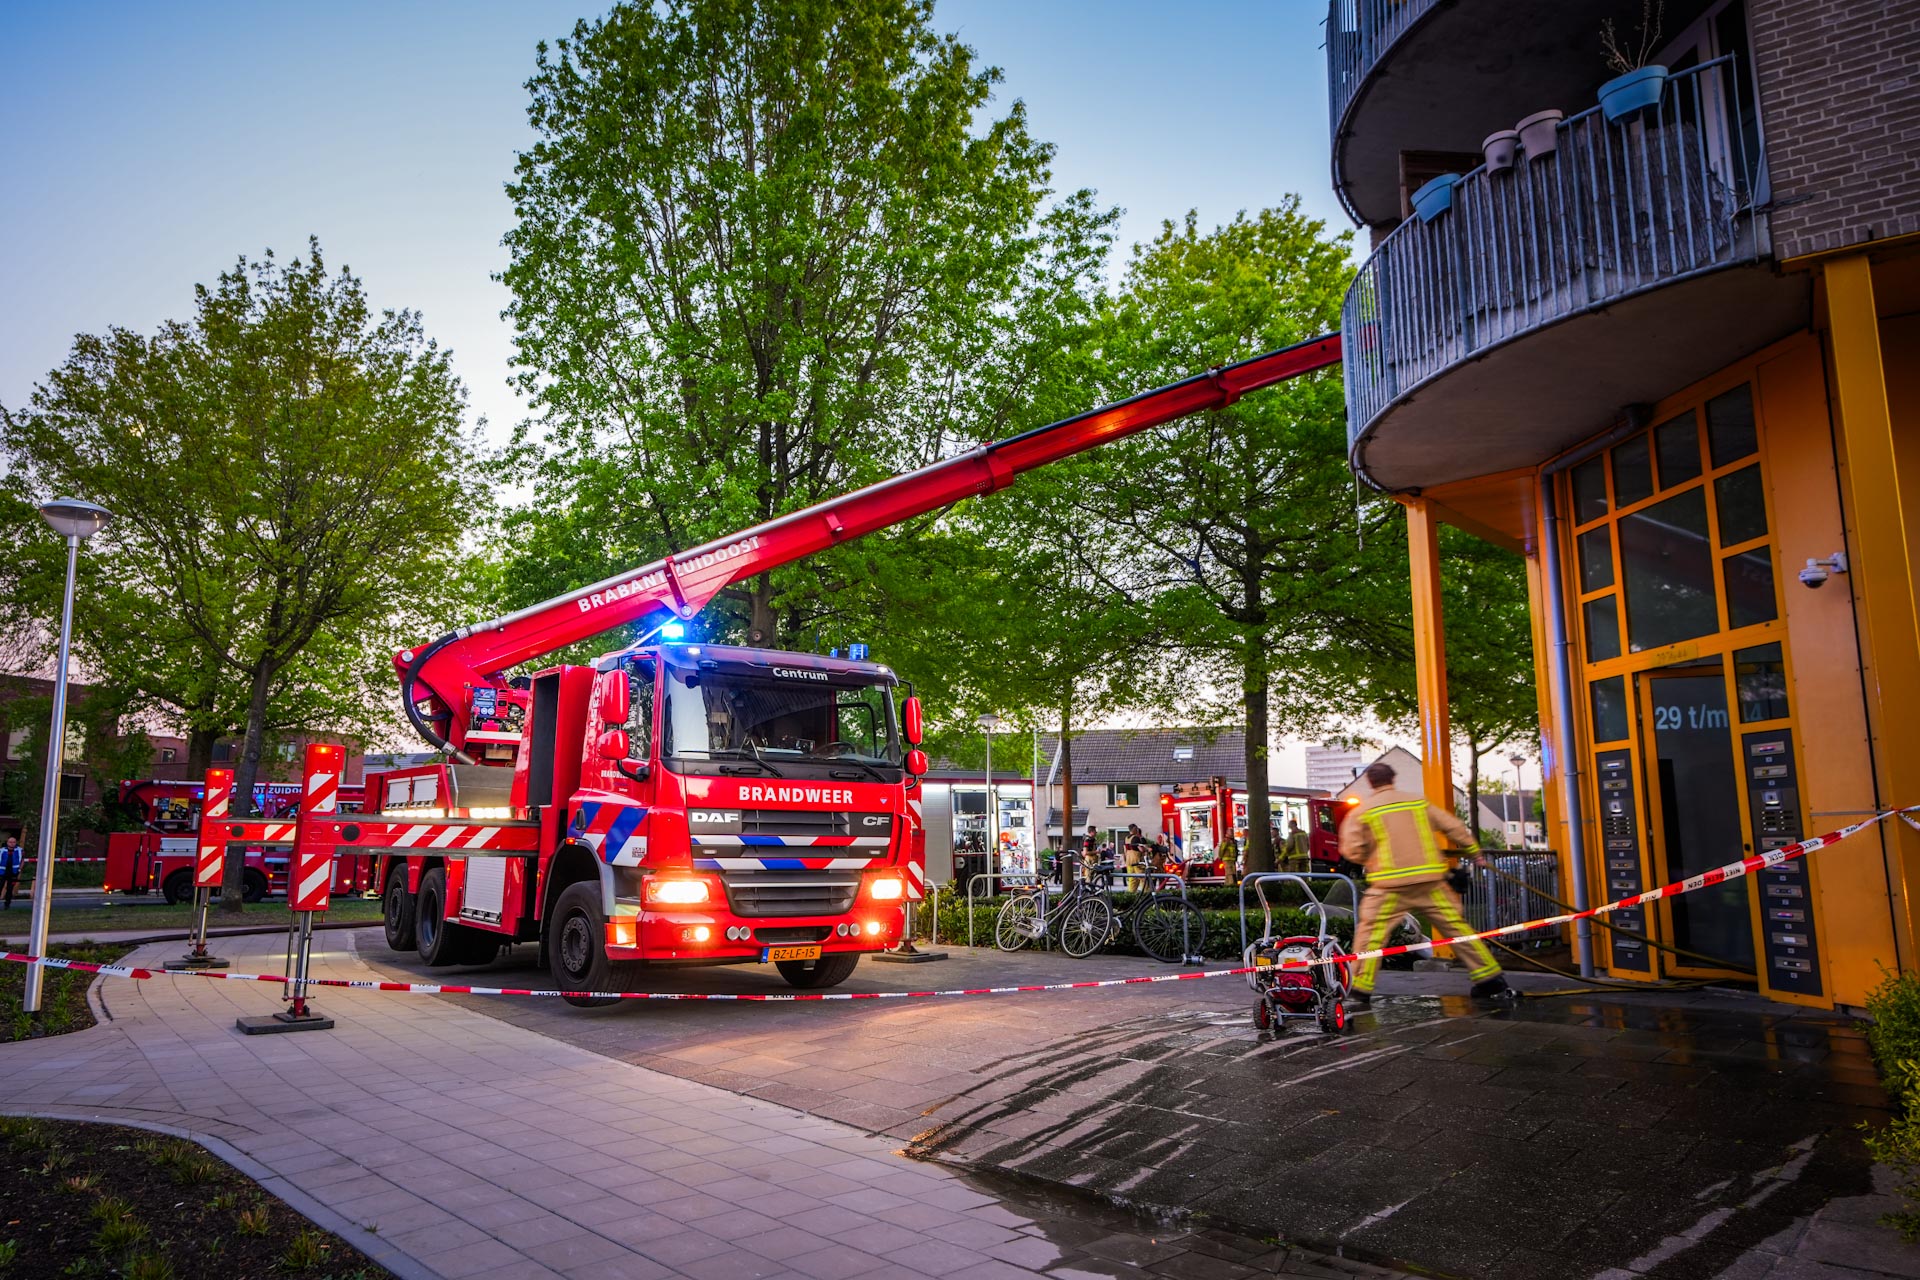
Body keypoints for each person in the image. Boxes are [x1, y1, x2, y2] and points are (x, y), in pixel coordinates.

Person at [1339, 761, 1513, 1005]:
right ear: (1393, 778)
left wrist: (1369, 856)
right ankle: (1490, 979)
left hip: (1390, 886)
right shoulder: (1417, 802)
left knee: (1371, 936)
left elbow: (1352, 850)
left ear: (1370, 782)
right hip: (1430, 883)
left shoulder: (1362, 811)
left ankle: (1360, 989)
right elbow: (1454, 827)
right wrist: (1475, 853)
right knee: (1457, 929)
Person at [0, 836, 22, 909]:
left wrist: (19, 870)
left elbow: (22, 860)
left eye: (14, 842)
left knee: (10, 889)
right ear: (7, 842)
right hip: (2, 872)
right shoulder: (2, 850)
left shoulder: (20, 850)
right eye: (10, 842)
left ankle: (7, 905)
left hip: (13, 872)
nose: (12, 844)